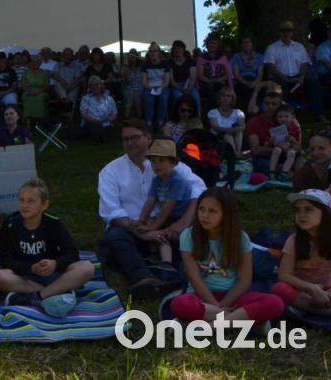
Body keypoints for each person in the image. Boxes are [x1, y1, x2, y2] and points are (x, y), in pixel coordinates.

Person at [97, 119, 207, 299]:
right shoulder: (110, 171)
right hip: (133, 229)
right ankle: (143, 279)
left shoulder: (168, 162)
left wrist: (182, 223)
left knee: (194, 233)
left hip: (169, 227)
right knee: (114, 236)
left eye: (134, 138)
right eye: (125, 139)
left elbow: (199, 190)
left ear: (148, 138)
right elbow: (112, 211)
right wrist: (142, 231)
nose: (129, 143)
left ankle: (172, 277)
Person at [169, 188, 284, 326]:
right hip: (201, 297)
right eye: (201, 209)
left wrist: (223, 304)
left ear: (226, 214)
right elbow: (194, 277)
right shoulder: (188, 236)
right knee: (179, 304)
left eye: (212, 211)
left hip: (233, 297)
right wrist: (217, 308)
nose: (204, 215)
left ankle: (212, 326)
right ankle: (239, 322)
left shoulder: (241, 238)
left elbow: (245, 280)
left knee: (275, 303)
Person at [0, 178, 95, 317]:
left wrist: (55, 263)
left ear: (44, 205)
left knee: (87, 267)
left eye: (31, 201)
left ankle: (36, 297)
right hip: (25, 278)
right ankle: (57, 291)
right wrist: (31, 268)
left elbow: (72, 253)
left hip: (53, 274)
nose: (25, 205)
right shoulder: (10, 225)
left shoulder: (54, 224)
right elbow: (6, 261)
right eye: (21, 200)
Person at [271, 189, 331, 315]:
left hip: (327, 290)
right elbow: (284, 275)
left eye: (308, 209)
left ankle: (311, 308)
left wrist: (326, 294)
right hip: (302, 290)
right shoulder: (294, 239)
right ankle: (320, 309)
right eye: (298, 210)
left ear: (325, 213)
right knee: (279, 288)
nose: (301, 214)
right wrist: (312, 289)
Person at [137, 139, 192, 270]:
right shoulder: (157, 180)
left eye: (161, 161)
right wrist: (141, 220)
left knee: (158, 232)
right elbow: (150, 201)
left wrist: (154, 227)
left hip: (178, 216)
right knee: (148, 223)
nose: (156, 165)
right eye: (153, 161)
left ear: (172, 163)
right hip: (167, 216)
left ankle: (167, 263)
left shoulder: (177, 181)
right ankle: (154, 255)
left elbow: (168, 206)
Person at [264, 20, 323, 121]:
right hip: (280, 78)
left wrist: (301, 77)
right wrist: (286, 79)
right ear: (280, 32)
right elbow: (271, 67)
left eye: (289, 30)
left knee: (314, 83)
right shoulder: (272, 48)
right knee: (280, 87)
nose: (286, 33)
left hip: (297, 77)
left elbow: (304, 63)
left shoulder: (299, 47)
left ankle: (320, 114)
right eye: (284, 31)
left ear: (292, 32)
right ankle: (280, 117)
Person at [246, 87, 285, 174]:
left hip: (285, 155)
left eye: (274, 104)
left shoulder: (285, 120)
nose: (270, 106)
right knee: (265, 165)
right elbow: (255, 150)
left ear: (280, 106)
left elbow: (297, 143)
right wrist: (277, 150)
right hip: (263, 158)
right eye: (267, 104)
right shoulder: (254, 122)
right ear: (263, 105)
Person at [268, 104, 303, 181]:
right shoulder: (275, 128)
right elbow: (269, 144)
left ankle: (284, 172)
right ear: (276, 118)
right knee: (276, 150)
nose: (283, 119)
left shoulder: (295, 128)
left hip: (291, 149)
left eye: (286, 116)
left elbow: (298, 146)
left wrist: (292, 140)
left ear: (292, 117)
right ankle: (271, 171)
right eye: (280, 117)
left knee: (292, 153)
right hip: (280, 149)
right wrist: (271, 141)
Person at [207, 86, 245, 156]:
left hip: (234, 135)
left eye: (228, 96)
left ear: (232, 99)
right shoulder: (213, 112)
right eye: (223, 96)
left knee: (239, 132)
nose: (225, 98)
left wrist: (233, 130)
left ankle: (238, 152)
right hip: (218, 138)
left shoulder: (238, 112)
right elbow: (215, 127)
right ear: (219, 98)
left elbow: (243, 126)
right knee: (227, 135)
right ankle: (235, 154)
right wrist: (228, 130)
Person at [195, 34, 233, 104]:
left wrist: (218, 80)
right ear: (207, 44)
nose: (212, 45)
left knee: (218, 88)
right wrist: (211, 81)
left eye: (214, 43)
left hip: (220, 82)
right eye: (210, 43)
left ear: (218, 45)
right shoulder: (201, 58)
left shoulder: (223, 58)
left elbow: (227, 75)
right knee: (211, 88)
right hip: (205, 83)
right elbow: (200, 76)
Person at [80, 76, 118, 143]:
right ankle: (100, 136)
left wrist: (108, 120)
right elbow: (84, 114)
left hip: (106, 122)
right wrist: (94, 121)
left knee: (107, 128)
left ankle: (101, 136)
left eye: (97, 84)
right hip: (91, 122)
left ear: (101, 85)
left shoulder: (109, 99)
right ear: (89, 87)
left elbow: (115, 113)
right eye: (92, 85)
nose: (95, 87)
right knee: (93, 128)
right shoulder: (85, 99)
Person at [142, 44, 171, 131]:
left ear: (159, 52)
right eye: (151, 51)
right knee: (148, 98)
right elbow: (144, 81)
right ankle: (149, 123)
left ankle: (160, 123)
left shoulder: (165, 64)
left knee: (163, 97)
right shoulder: (145, 65)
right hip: (149, 87)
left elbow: (166, 81)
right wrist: (151, 88)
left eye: (155, 51)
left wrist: (160, 88)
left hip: (162, 86)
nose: (153, 53)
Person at [231, 36, 265, 109]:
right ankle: (250, 112)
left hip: (255, 80)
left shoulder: (259, 57)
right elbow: (236, 74)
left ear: (252, 44)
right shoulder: (236, 56)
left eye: (248, 42)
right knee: (247, 91)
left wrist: (255, 82)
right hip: (241, 81)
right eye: (243, 42)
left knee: (262, 90)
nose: (245, 44)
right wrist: (247, 83)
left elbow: (260, 74)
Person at [21, 54, 50, 124]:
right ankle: (28, 121)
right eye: (32, 62)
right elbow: (23, 84)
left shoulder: (44, 73)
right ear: (30, 63)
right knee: (26, 97)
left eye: (36, 62)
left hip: (41, 91)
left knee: (39, 98)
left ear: (40, 63)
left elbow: (46, 86)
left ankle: (40, 120)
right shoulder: (26, 72)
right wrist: (28, 91)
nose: (34, 63)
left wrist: (38, 92)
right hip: (29, 90)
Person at [122, 49, 144, 118]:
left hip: (140, 86)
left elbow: (147, 60)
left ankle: (129, 116)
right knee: (131, 94)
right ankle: (129, 116)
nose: (132, 56)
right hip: (130, 87)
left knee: (136, 94)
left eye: (134, 54)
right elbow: (124, 80)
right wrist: (126, 67)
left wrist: (136, 57)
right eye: (131, 54)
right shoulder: (126, 67)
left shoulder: (142, 66)